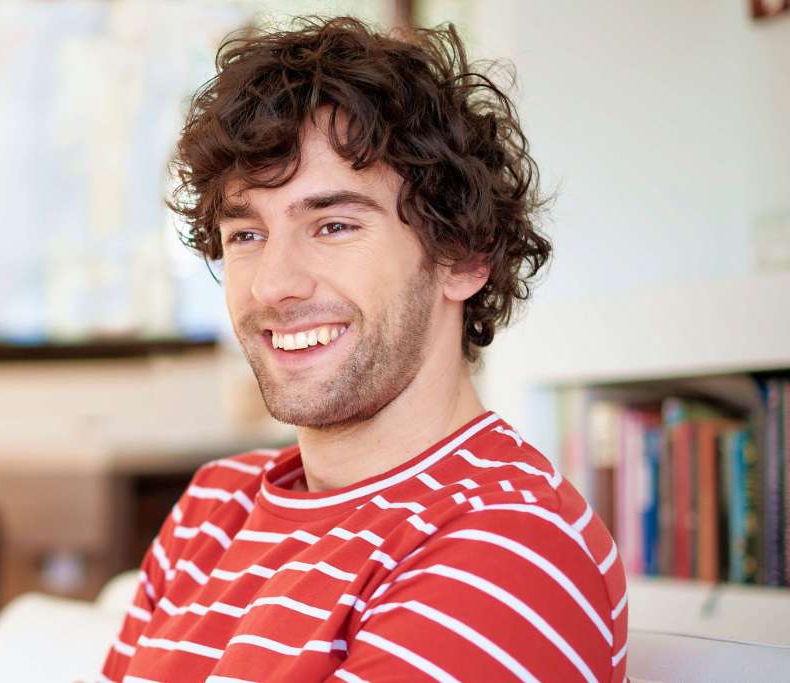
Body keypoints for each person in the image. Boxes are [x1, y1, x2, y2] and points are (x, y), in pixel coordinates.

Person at [100, 16, 626, 683]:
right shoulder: (212, 510)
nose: (273, 285)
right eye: (247, 235)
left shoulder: (510, 543)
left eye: (334, 225)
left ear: (463, 256)